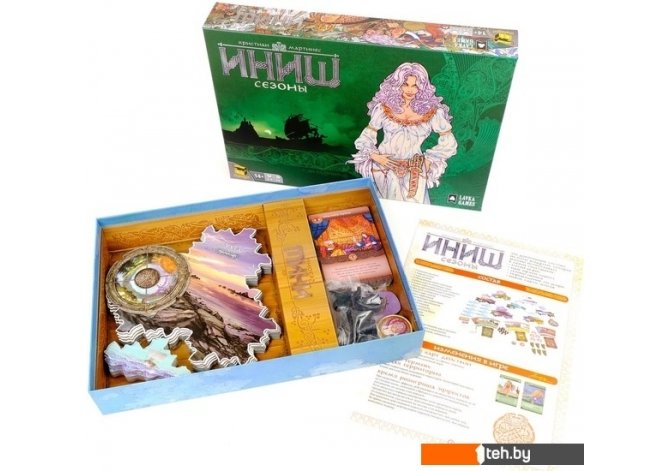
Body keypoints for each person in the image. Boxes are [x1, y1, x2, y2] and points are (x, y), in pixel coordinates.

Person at [348, 62, 457, 203]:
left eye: (415, 85)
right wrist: (375, 156)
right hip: (383, 168)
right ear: (397, 84)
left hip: (415, 170)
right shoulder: (383, 108)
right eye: (405, 84)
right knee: (380, 208)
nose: (410, 90)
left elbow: (449, 142)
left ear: (422, 87)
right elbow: (366, 137)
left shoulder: (433, 112)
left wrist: (428, 160)